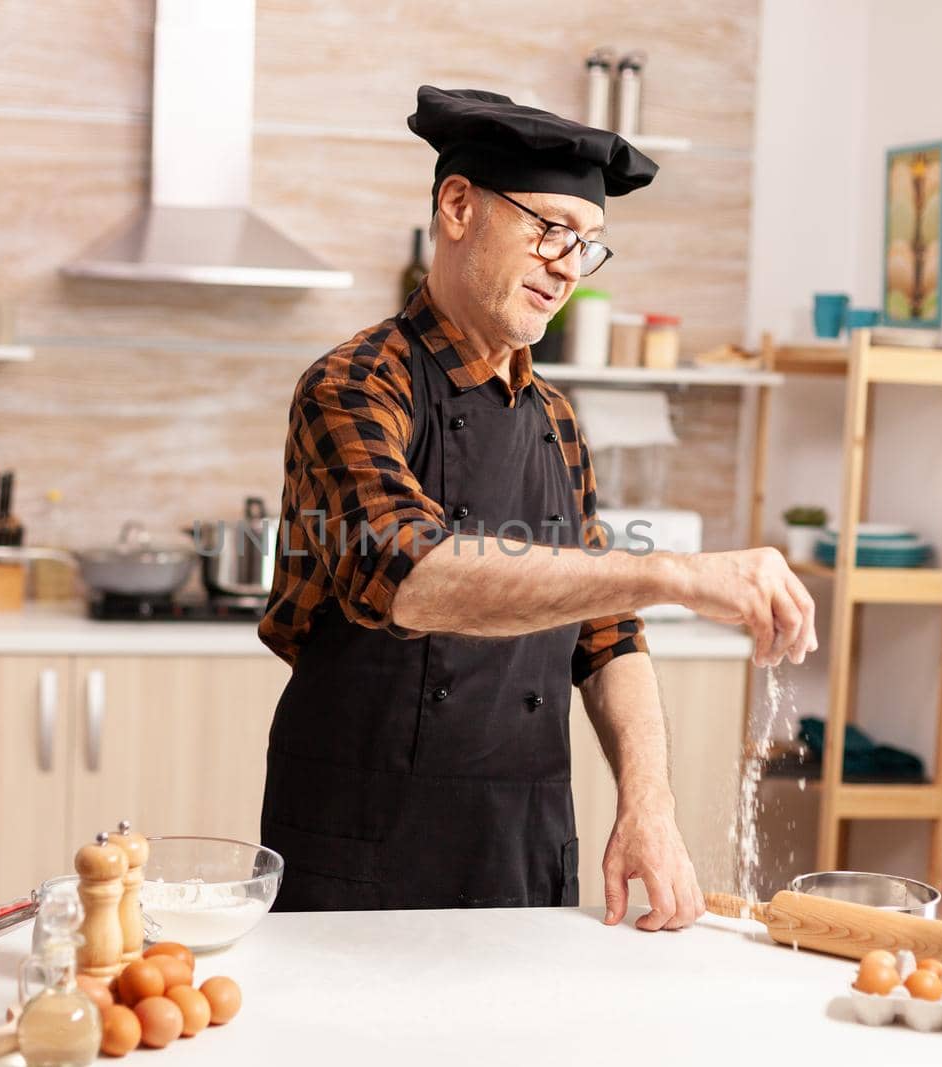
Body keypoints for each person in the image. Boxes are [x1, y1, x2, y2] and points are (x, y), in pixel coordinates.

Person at [257, 86, 817, 931]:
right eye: (550, 229)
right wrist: (673, 572)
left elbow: (607, 634)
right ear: (457, 207)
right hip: (362, 855)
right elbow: (404, 571)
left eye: (587, 246)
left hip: (524, 847)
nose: (567, 264)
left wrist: (647, 803)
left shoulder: (555, 418)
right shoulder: (355, 384)